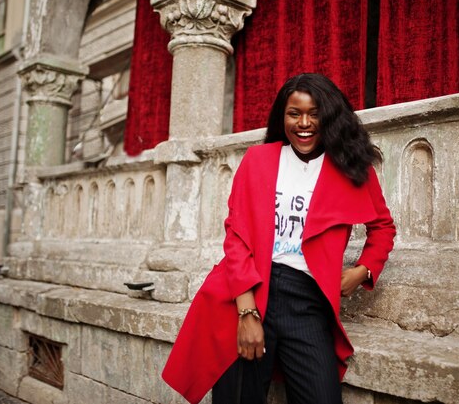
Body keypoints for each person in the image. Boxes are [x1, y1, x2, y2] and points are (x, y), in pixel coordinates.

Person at [162, 73, 396, 404]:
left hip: (308, 301)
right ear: (282, 116)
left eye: (314, 113)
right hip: (249, 290)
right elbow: (237, 238)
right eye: (294, 113)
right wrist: (246, 314)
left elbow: (383, 227)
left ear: (328, 115)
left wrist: (362, 271)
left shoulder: (350, 167)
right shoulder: (259, 160)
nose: (304, 123)